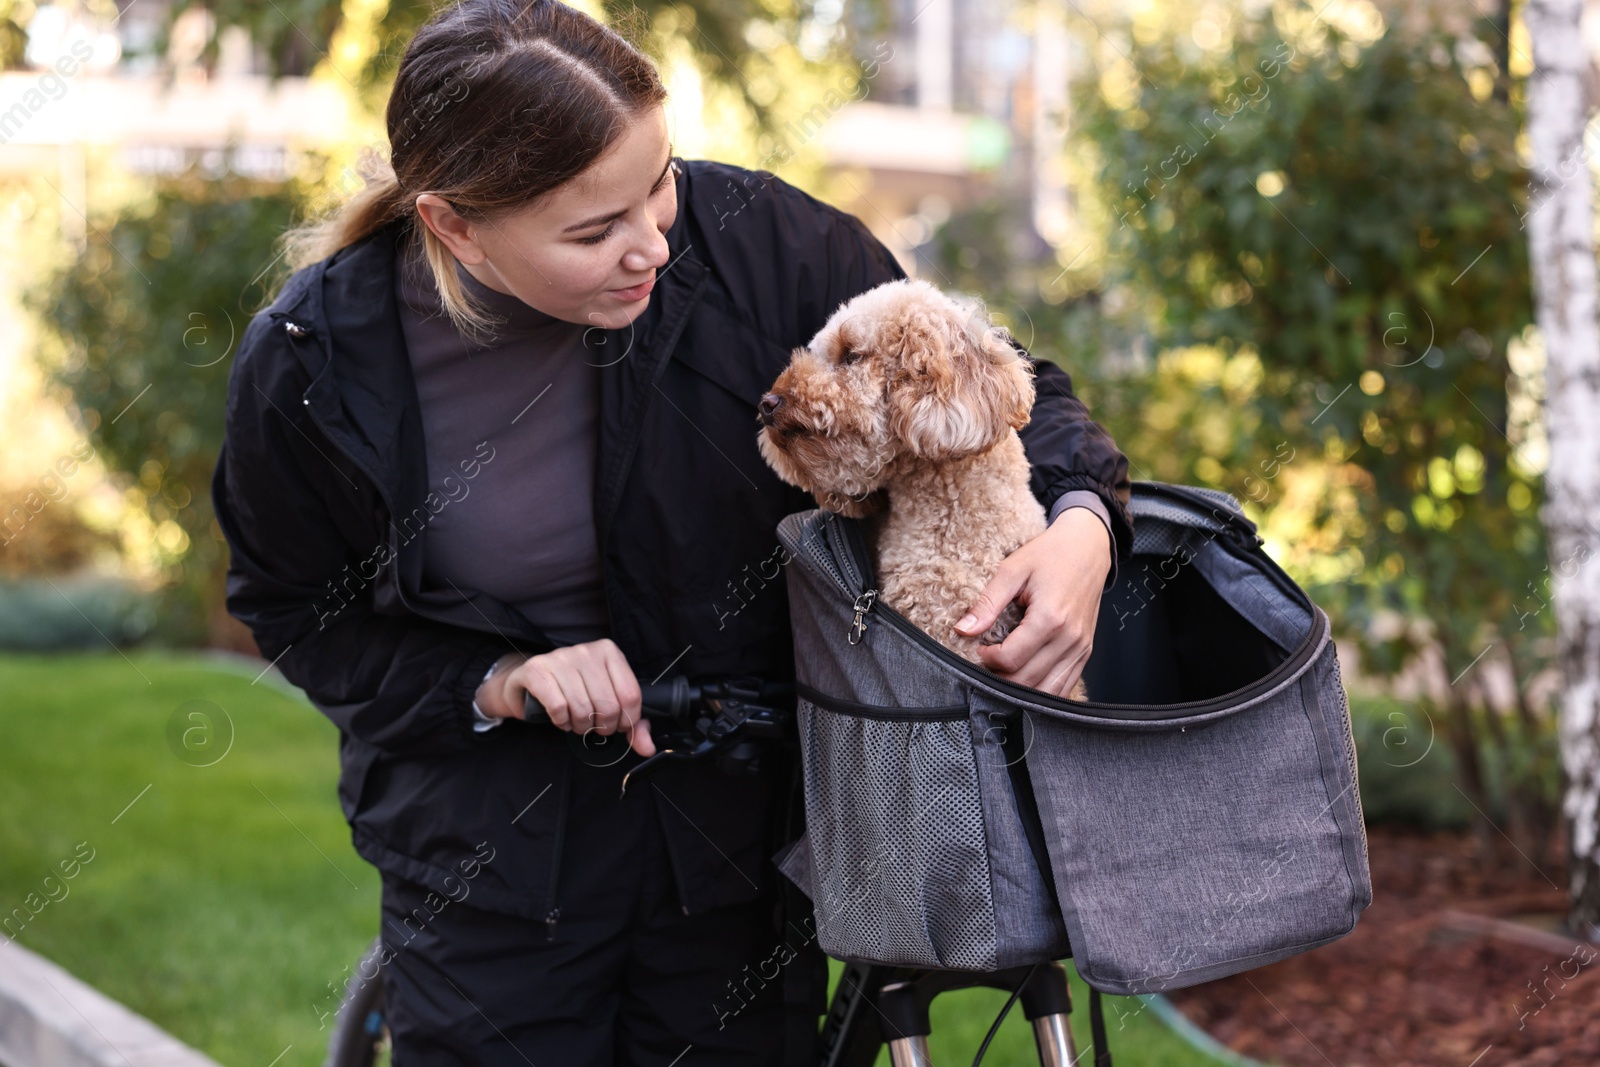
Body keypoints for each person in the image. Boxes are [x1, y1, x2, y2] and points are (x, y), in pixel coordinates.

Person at [211, 0, 1134, 1062]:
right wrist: (499, 676)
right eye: (594, 229)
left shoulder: (763, 246)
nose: (651, 245)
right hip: (488, 873)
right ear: (452, 224)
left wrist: (1079, 528)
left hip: (737, 859)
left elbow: (1012, 386)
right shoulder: (315, 363)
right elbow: (296, 612)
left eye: (659, 184)